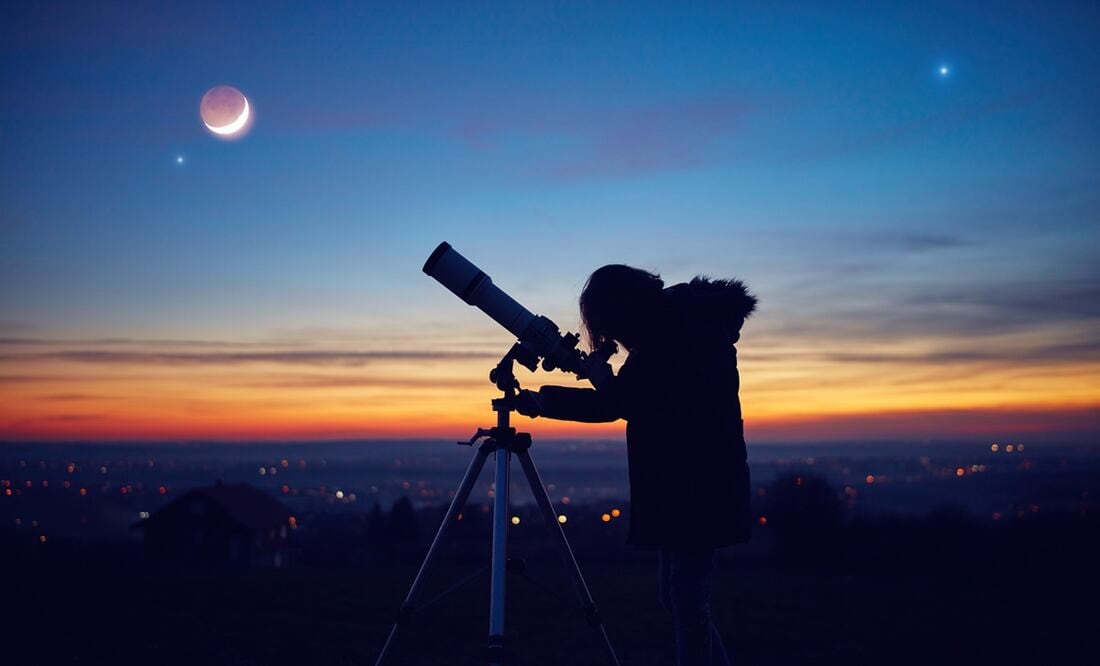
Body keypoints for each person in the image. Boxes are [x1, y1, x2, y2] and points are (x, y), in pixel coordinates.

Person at [515, 264, 756, 666]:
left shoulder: (684, 335)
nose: (616, 339)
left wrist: (602, 381)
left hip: (699, 485)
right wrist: (545, 401)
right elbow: (626, 401)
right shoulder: (670, 331)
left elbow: (644, 402)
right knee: (678, 599)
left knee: (686, 600)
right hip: (682, 485)